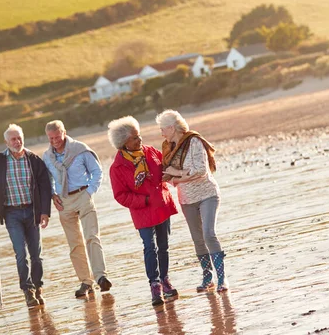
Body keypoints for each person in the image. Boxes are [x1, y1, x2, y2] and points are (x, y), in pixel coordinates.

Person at [107, 116, 179, 306]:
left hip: (162, 206)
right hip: (143, 212)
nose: (140, 141)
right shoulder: (117, 167)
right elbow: (120, 195)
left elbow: (166, 166)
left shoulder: (150, 152)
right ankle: (154, 284)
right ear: (124, 143)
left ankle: (165, 280)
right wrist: (144, 200)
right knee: (150, 248)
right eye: (135, 138)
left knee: (163, 246)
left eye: (139, 136)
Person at [155, 110, 229, 292]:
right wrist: (176, 175)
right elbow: (166, 176)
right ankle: (207, 277)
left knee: (208, 233)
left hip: (207, 194)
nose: (161, 133)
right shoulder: (168, 148)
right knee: (197, 239)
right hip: (186, 199)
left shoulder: (194, 141)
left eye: (163, 129)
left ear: (172, 127)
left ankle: (222, 278)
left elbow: (201, 171)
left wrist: (177, 174)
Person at [42, 120, 112, 298]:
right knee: (75, 244)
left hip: (83, 195)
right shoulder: (47, 157)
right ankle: (85, 282)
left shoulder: (80, 149)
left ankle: (101, 277)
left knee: (91, 237)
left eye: (57, 136)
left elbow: (97, 171)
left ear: (64, 132)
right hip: (63, 202)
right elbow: (46, 180)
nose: (55, 141)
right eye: (51, 138)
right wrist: (52, 195)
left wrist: (89, 192)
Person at [0, 124, 52, 308]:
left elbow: (44, 187)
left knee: (36, 255)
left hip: (32, 212)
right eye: (13, 139)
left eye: (19, 138)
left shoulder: (34, 159)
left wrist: (45, 212)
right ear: (6, 142)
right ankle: (27, 290)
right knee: (20, 254)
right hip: (12, 214)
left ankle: (38, 287)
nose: (17, 142)